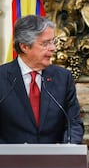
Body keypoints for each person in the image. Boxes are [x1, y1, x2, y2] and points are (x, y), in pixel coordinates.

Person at [0, 15, 84, 144]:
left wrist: (69, 148)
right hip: (9, 161)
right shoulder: (2, 77)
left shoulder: (63, 77)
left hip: (54, 161)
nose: (53, 48)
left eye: (52, 42)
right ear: (24, 47)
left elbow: (73, 123)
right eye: (45, 43)